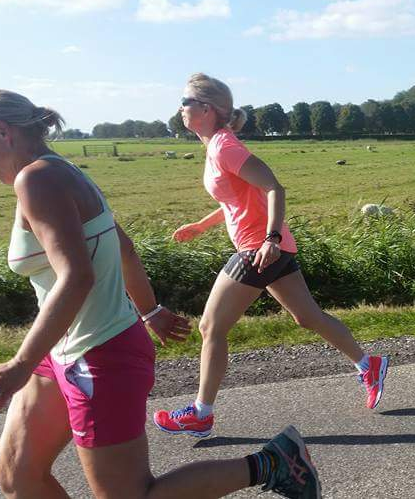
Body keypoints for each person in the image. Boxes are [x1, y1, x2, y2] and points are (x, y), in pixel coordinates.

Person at [0, 90, 320, 498]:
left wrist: (19, 362)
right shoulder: (59, 171)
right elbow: (125, 248)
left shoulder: (38, 179)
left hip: (100, 355)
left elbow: (76, 277)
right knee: (18, 475)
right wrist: (150, 311)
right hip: (61, 351)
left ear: (2, 130)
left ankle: (276, 463)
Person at [152, 74, 388, 438]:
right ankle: (368, 364)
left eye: (185, 101)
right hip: (269, 249)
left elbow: (274, 187)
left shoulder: (225, 147)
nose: (181, 107)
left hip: (258, 249)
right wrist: (202, 224)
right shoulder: (216, 145)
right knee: (307, 317)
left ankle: (201, 412)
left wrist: (271, 238)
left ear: (206, 109)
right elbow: (239, 198)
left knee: (210, 327)